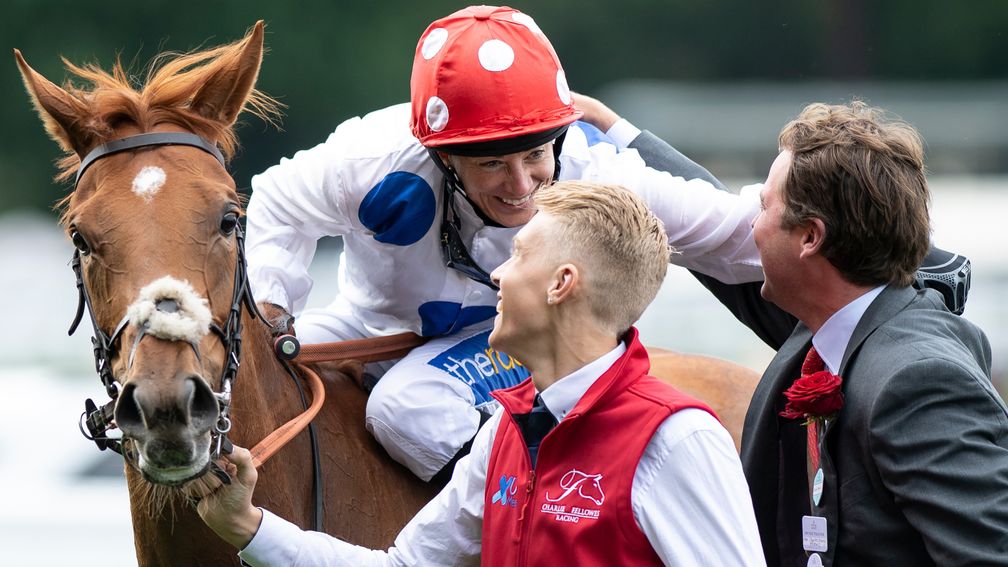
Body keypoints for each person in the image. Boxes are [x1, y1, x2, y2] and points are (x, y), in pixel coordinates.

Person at [245, 5, 762, 482]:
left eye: (535, 155)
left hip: (508, 335)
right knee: (259, 372)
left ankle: (538, 510)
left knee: (406, 408)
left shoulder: (596, 173)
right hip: (369, 325)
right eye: (491, 163)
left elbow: (741, 233)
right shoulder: (371, 161)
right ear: (443, 157)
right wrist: (275, 311)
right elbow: (275, 201)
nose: (520, 187)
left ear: (560, 140)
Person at [198, 180, 767, 566]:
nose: (497, 277)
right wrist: (249, 527)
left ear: (561, 283)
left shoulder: (676, 442)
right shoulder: (503, 431)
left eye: (517, 256)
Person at [713, 102, 1008, 565]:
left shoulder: (917, 380)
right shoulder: (828, 330)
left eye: (763, 206)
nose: (751, 226)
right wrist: (617, 135)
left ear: (811, 237)